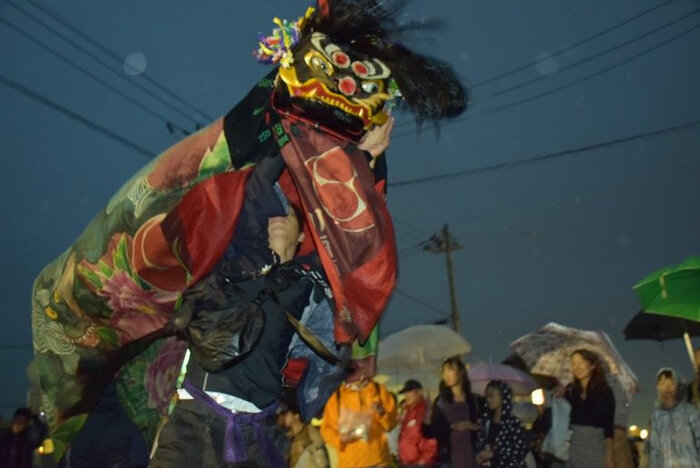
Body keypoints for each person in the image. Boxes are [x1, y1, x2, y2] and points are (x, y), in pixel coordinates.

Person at [320, 378, 398, 468]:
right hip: (351, 462)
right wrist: (340, 440)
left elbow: (391, 424)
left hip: (379, 460)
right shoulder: (337, 396)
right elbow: (326, 429)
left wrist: (382, 413)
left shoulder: (378, 390)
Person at [423, 357, 481, 468]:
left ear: (461, 372)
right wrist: (428, 414)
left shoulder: (475, 401)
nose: (446, 375)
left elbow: (485, 426)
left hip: (472, 459)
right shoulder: (441, 402)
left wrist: (473, 425)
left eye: (450, 370)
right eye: (444, 371)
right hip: (449, 459)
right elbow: (431, 432)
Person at [564, 349, 615, 468]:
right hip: (573, 444)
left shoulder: (604, 391)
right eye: (573, 363)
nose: (577, 367)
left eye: (581, 362)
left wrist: (609, 455)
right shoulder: (570, 391)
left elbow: (608, 425)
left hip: (596, 444)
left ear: (592, 365)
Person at [649, 367, 700, 467]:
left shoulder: (689, 411)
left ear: (678, 387)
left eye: (672, 383)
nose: (667, 387)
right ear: (657, 387)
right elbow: (655, 449)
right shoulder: (656, 416)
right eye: (662, 384)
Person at [475, 381, 527, 468]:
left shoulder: (513, 423)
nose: (488, 399)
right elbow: (481, 443)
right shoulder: (486, 422)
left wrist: (495, 453)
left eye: (492, 395)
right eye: (487, 396)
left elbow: (519, 448)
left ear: (503, 396)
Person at [397, 379, 438, 467]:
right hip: (407, 463)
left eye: (409, 391)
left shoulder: (425, 411)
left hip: (419, 463)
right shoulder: (407, 413)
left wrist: (424, 460)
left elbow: (432, 437)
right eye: (405, 392)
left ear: (419, 392)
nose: (406, 395)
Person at [279, 398, 329, 468]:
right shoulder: (289, 440)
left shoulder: (309, 429)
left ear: (296, 416)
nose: (285, 415)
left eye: (287, 412)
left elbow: (319, 450)